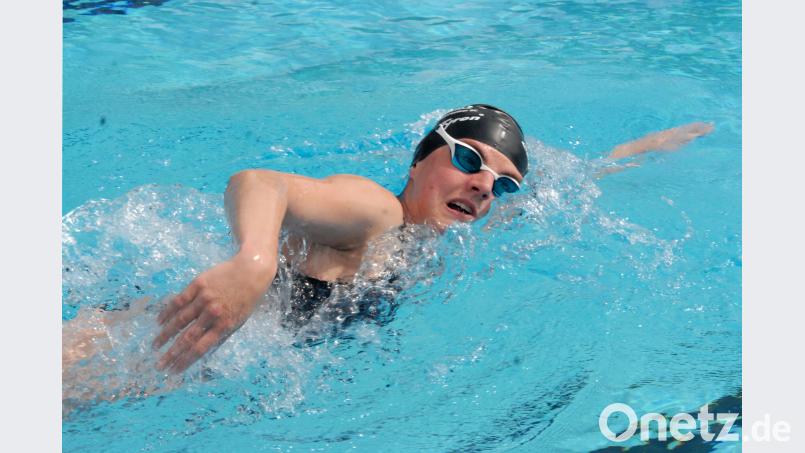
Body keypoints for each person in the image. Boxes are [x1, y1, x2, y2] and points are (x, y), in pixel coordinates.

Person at [145, 104, 714, 374]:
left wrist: (637, 152)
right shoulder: (374, 212)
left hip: (195, 359)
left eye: (503, 185)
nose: (484, 186)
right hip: (145, 342)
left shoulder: (437, 237)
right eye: (468, 160)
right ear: (419, 161)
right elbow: (259, 182)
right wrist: (254, 261)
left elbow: (567, 189)